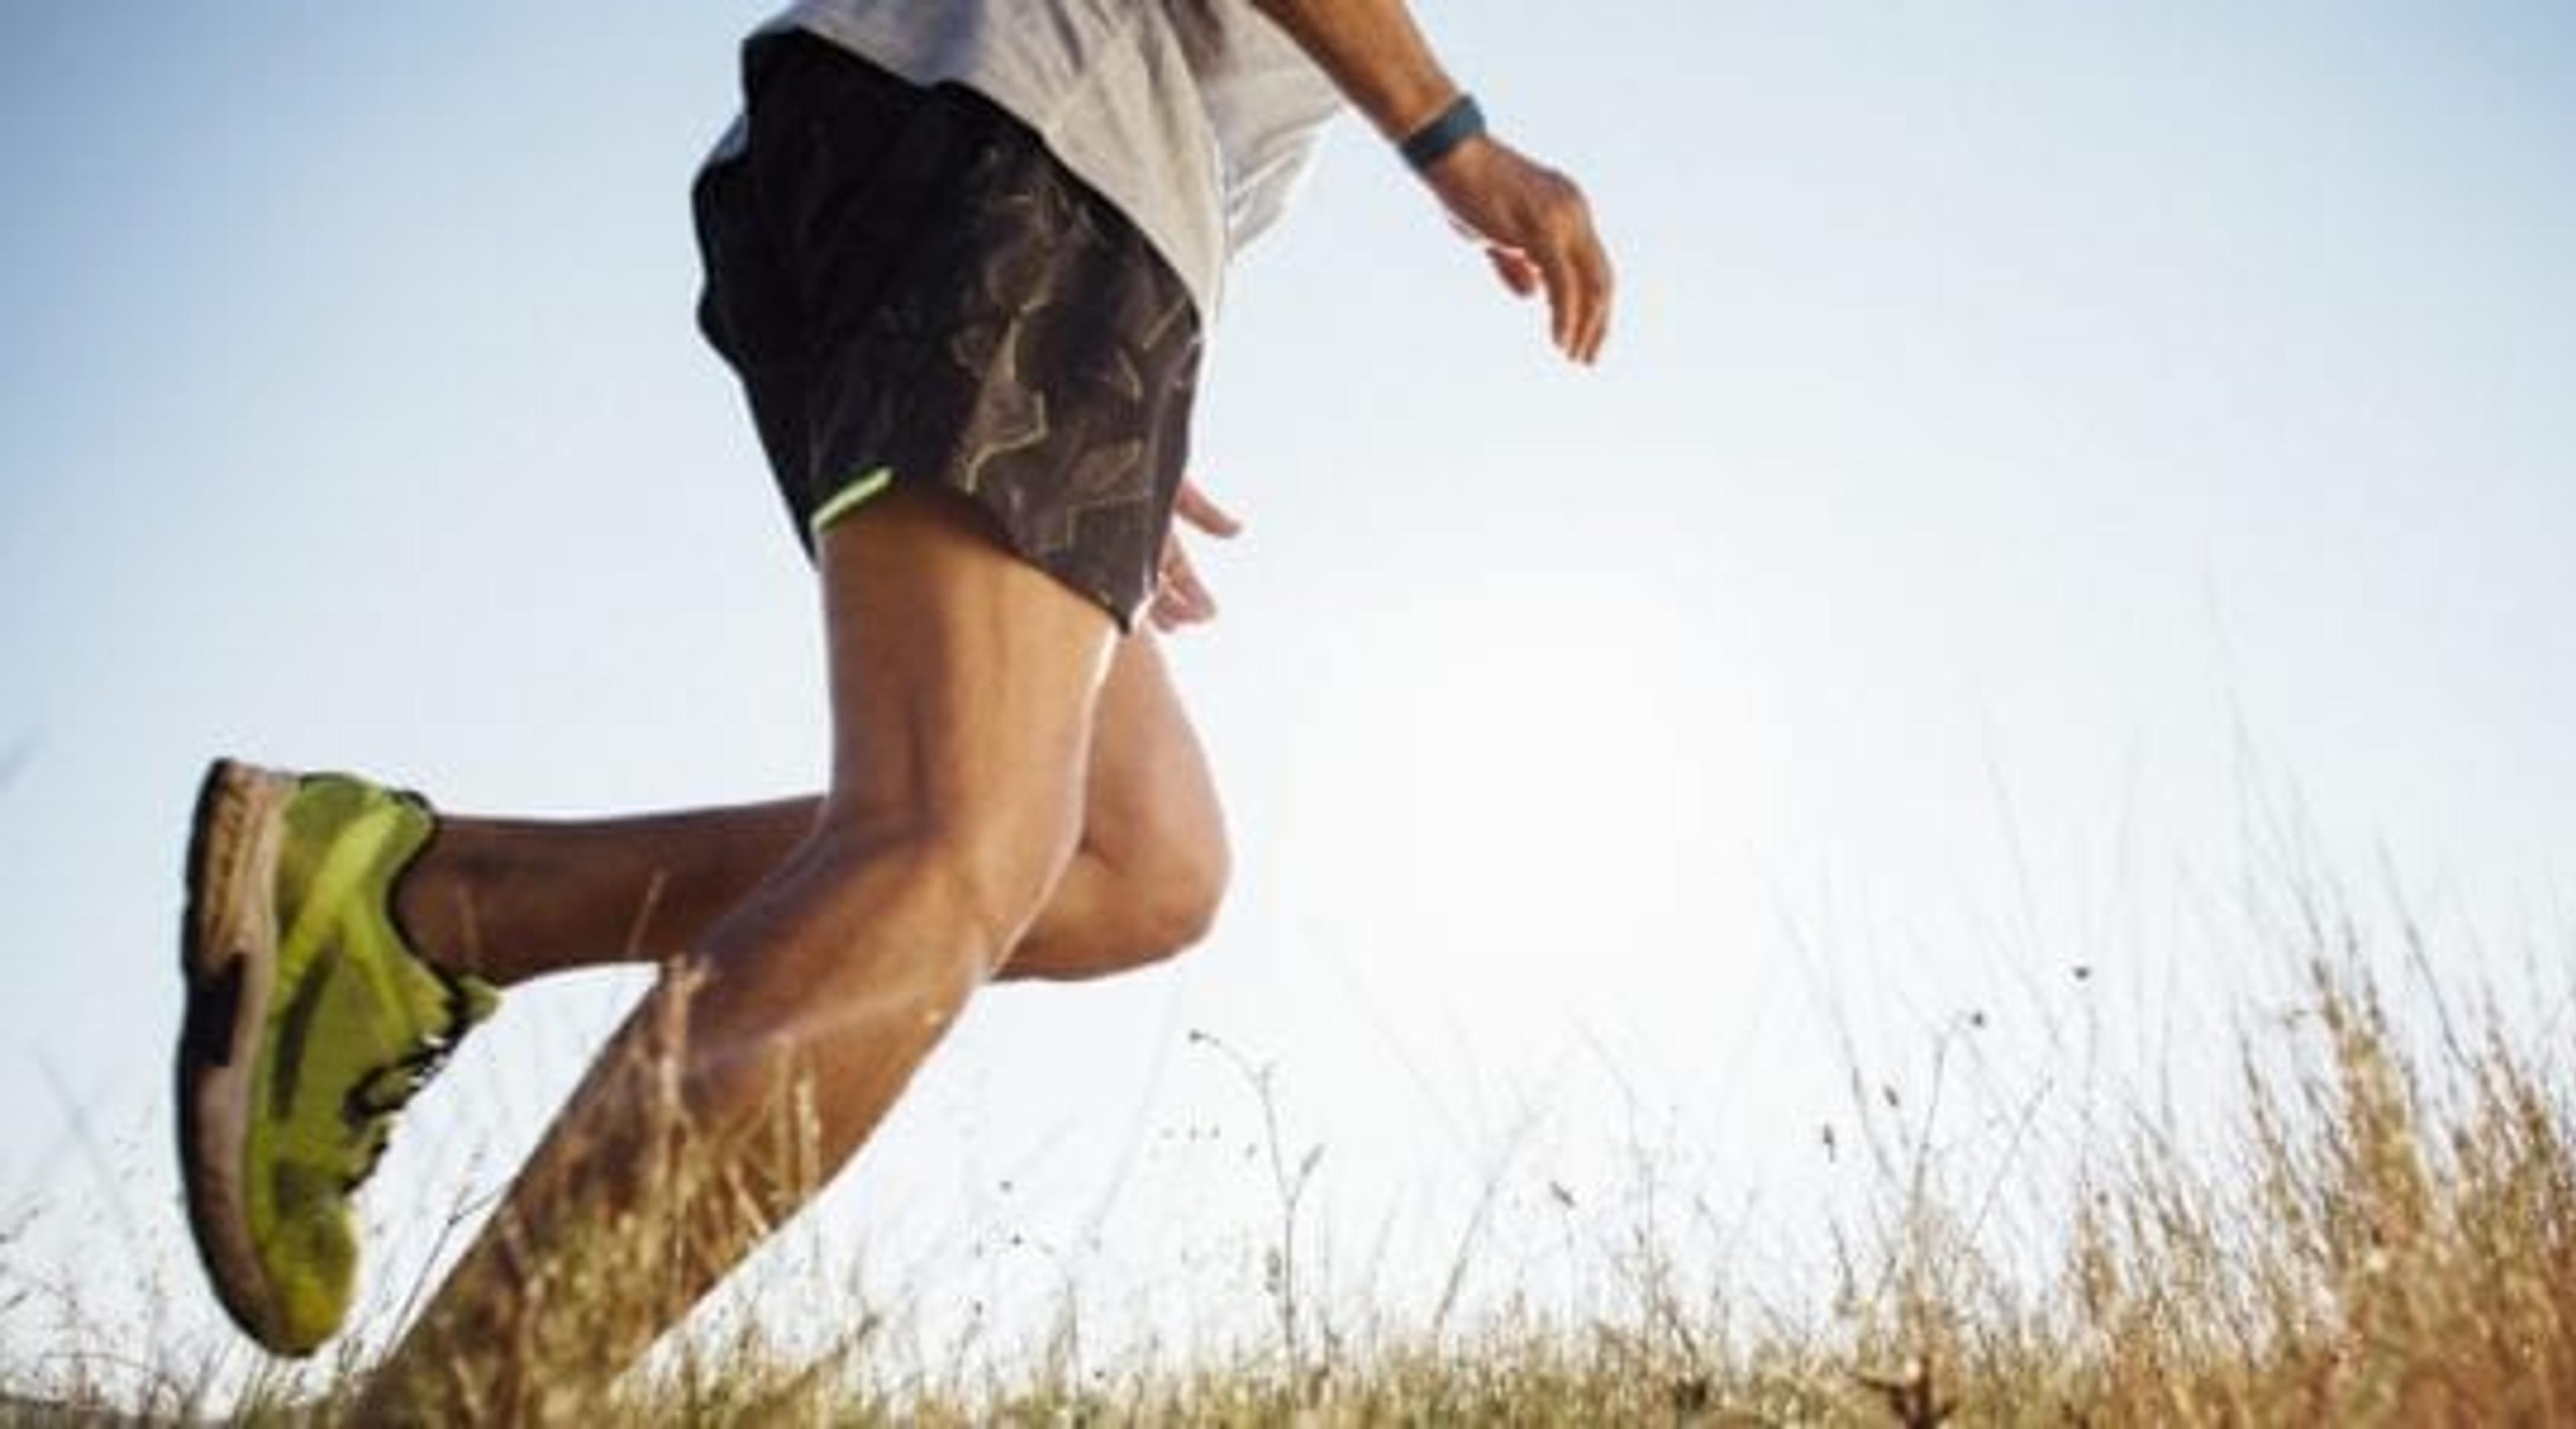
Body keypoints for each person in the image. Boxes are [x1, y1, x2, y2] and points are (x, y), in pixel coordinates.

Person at [170, 0, 1610, 1416]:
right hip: (1020, 146)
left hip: (989, 174)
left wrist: (1128, 421)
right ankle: (464, 1403)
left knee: (1133, 863)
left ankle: (433, 900)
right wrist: (1457, 144)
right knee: (945, 843)